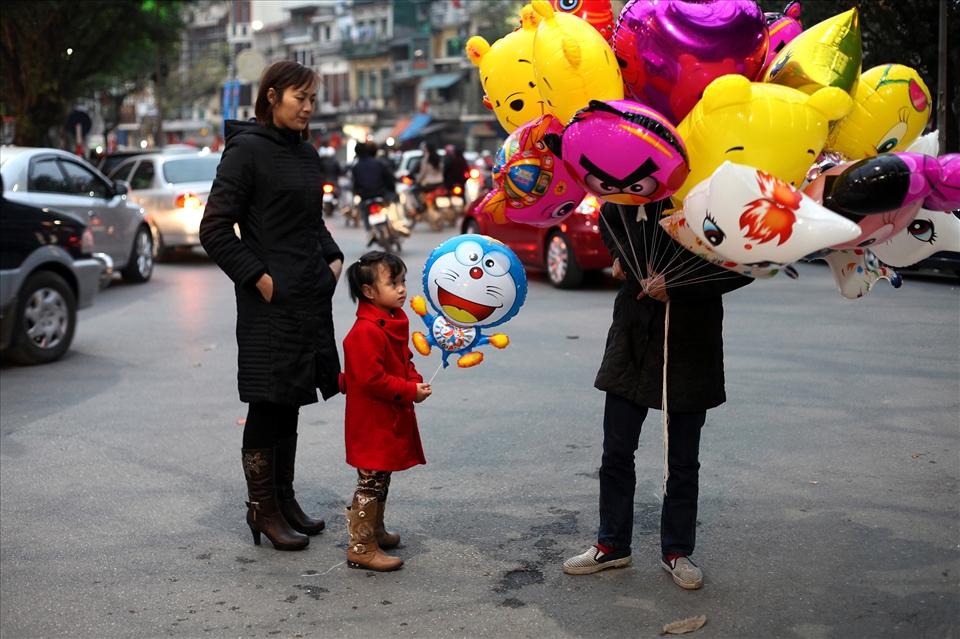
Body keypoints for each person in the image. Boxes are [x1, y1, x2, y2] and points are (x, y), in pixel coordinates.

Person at [562, 199, 752, 589]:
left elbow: (748, 264)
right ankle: (612, 544)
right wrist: (620, 256)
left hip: (690, 339)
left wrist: (679, 285)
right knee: (616, 450)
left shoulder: (717, 194)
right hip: (633, 333)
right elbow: (608, 216)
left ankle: (677, 550)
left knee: (682, 460)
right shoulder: (637, 187)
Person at [199, 60, 344, 552]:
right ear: (272, 96)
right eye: (300, 98)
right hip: (269, 301)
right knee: (266, 400)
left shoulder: (306, 152)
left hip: (309, 294)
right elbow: (215, 229)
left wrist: (334, 260)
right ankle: (262, 509)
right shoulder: (246, 151)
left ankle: (284, 498)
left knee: (292, 396)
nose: (308, 108)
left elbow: (312, 221)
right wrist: (261, 280)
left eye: (312, 100)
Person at [340, 251, 432, 571]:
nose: (402, 288)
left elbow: (405, 360)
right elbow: (372, 379)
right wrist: (408, 391)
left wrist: (414, 381)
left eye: (403, 281)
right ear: (368, 291)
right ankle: (361, 545)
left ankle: (375, 531)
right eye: (393, 283)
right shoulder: (365, 331)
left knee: (381, 477)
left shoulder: (392, 321)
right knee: (370, 480)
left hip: (386, 417)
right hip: (371, 422)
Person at [351, 140, 397, 236]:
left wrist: (359, 193)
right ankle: (396, 224)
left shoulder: (356, 167)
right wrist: (392, 190)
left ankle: (369, 232)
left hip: (366, 197)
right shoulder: (378, 163)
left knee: (363, 210)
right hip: (381, 193)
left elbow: (355, 185)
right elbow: (388, 179)